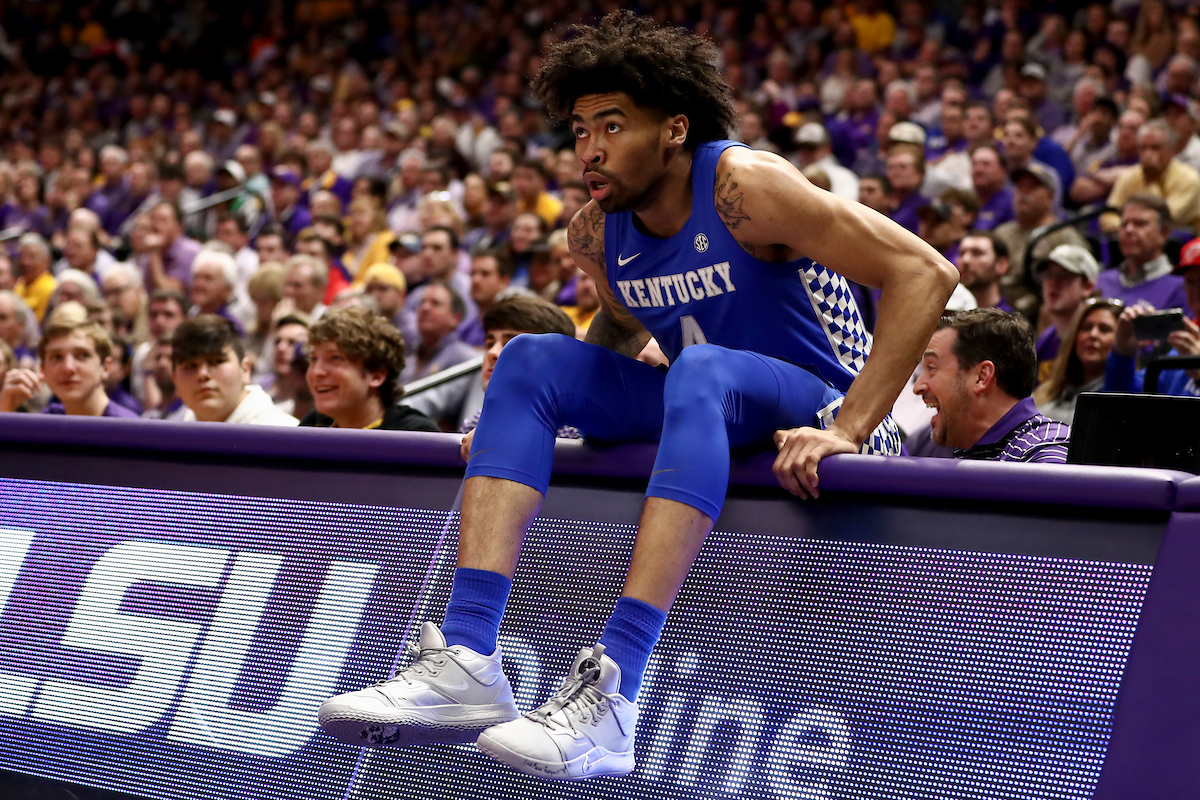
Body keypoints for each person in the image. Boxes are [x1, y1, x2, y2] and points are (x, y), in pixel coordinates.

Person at [318, 12, 955, 782]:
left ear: (674, 130)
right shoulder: (598, 235)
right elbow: (615, 335)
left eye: (613, 126)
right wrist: (519, 428)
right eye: (581, 128)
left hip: (819, 408)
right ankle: (468, 659)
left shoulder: (743, 186)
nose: (590, 147)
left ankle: (616, 691)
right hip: (711, 404)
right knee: (524, 363)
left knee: (701, 368)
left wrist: (853, 426)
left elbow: (925, 273)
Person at [913, 308, 1071, 462]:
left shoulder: (1046, 447)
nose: (918, 387)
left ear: (982, 376)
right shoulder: (967, 451)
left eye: (932, 368)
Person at [299, 307, 439, 431]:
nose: (316, 372)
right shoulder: (314, 424)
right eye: (314, 359)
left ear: (377, 375)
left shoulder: (414, 435)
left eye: (335, 358)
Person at [1103, 236, 1200, 398]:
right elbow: (1120, 407)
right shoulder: (1181, 344)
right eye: (1190, 282)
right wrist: (1122, 353)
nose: (1195, 291)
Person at [993, 164, 1088, 318]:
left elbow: (1081, 285)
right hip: (995, 308)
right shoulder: (1001, 233)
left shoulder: (1063, 236)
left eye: (1032, 188)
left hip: (1035, 315)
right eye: (1020, 187)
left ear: (1050, 197)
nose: (1023, 194)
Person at [172, 315, 299, 426]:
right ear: (174, 380)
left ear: (245, 370)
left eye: (216, 361)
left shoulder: (288, 435)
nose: (203, 374)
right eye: (190, 366)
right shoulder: (170, 440)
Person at [0, 316, 138, 418]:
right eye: (57, 357)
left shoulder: (130, 428)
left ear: (105, 367)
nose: (68, 367)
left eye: (82, 356)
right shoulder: (46, 421)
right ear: (42, 370)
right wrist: (5, 409)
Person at [1032, 298, 1122, 424]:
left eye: (1104, 329)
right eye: (1086, 328)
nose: (1093, 335)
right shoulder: (1048, 389)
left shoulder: (1121, 394)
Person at [1102, 120, 1200, 234]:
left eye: (1155, 148)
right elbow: (1109, 215)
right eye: (1143, 148)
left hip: (1178, 244)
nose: (1148, 153)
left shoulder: (1188, 179)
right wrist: (1127, 227)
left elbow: (1164, 219)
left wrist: (1152, 177)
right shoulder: (1128, 176)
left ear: (1171, 150)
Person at [1096, 195, 1189, 312]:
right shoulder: (1100, 281)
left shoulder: (1183, 288)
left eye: (1140, 224)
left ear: (1163, 233)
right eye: (1124, 224)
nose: (1129, 230)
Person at [1034, 244, 1101, 380]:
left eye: (1063, 276)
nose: (1052, 283)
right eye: (1048, 275)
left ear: (1087, 287)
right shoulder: (1048, 338)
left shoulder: (1092, 340)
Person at [398, 281, 478, 384]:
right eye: (422, 302)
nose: (425, 308)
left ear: (455, 318)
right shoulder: (409, 360)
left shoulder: (465, 359)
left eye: (435, 303)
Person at [792, 122, 860, 200]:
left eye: (811, 148)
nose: (805, 152)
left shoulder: (843, 177)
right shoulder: (792, 172)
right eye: (801, 147)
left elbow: (847, 205)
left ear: (827, 148)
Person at [955, 231, 1013, 312]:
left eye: (977, 253)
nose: (965, 260)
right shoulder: (945, 313)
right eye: (961, 253)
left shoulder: (1011, 321)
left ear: (1001, 265)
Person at [13, 233, 57, 322]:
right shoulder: (20, 283)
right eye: (21, 256)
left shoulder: (51, 288)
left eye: (32, 257)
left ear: (47, 261)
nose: (25, 262)